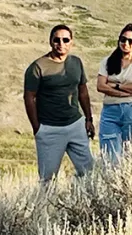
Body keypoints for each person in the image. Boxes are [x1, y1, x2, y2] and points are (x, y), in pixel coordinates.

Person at [23, 24, 94, 182]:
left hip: (76, 125)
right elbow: (29, 98)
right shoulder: (38, 67)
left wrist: (89, 119)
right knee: (47, 180)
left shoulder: (76, 63)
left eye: (65, 40)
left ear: (71, 42)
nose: (61, 43)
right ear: (50, 41)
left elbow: (83, 91)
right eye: (57, 40)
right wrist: (38, 128)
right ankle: (45, 207)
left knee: (91, 174)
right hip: (50, 129)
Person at [96, 23, 132, 163]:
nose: (126, 43)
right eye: (123, 39)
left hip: (131, 110)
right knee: (109, 154)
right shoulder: (107, 62)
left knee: (131, 154)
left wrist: (116, 86)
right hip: (110, 111)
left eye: (131, 41)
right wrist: (123, 92)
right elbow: (100, 86)